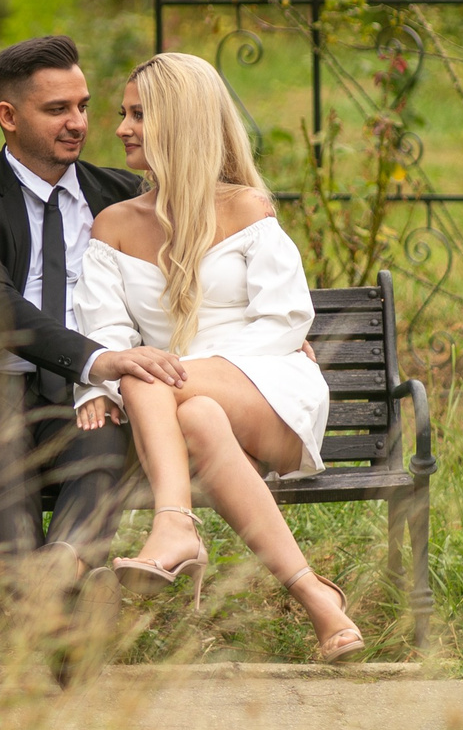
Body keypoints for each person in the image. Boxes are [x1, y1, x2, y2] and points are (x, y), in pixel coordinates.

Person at [73, 50, 366, 661]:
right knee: (190, 409)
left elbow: (286, 318)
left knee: (151, 372)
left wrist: (194, 370)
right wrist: (99, 390)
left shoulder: (247, 209)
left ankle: (175, 525)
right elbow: (102, 333)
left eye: (137, 115)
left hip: (271, 391)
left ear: (180, 122)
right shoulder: (114, 226)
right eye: (123, 114)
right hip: (182, 409)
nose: (121, 128)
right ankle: (318, 599)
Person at [0, 34, 190, 587]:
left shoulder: (121, 199)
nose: (79, 123)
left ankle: (53, 584)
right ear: (9, 115)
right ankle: (60, 612)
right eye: (57, 109)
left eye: (84, 106)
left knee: (104, 444)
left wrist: (273, 332)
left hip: (80, 398)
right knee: (0, 456)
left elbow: (208, 260)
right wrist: (100, 360)